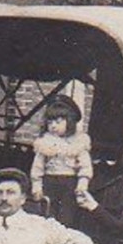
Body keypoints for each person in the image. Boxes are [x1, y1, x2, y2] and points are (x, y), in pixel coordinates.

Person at [29, 95, 92, 228]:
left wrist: (83, 182)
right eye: (50, 122)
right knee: (47, 211)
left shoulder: (79, 142)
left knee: (67, 214)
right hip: (49, 181)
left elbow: (85, 166)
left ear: (69, 121)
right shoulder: (45, 142)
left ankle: (65, 235)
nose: (53, 126)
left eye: (58, 122)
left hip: (69, 183)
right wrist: (36, 185)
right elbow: (38, 167)